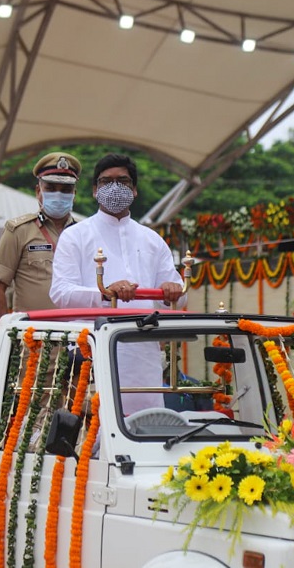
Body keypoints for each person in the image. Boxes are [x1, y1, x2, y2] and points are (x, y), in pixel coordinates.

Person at [50, 153, 185, 414]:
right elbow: (60, 293)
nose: (114, 187)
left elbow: (178, 296)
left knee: (146, 423)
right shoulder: (75, 236)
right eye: (106, 182)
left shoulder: (152, 240)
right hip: (91, 349)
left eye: (122, 181)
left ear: (134, 190)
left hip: (142, 350)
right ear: (94, 190)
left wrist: (172, 292)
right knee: (93, 431)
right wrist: (105, 293)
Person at [0, 152, 82, 325]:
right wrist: (3, 336)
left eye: (66, 190)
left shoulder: (84, 232)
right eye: (51, 188)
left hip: (79, 338)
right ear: (38, 191)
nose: (58, 195)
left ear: (74, 194)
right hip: (32, 338)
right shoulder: (18, 231)